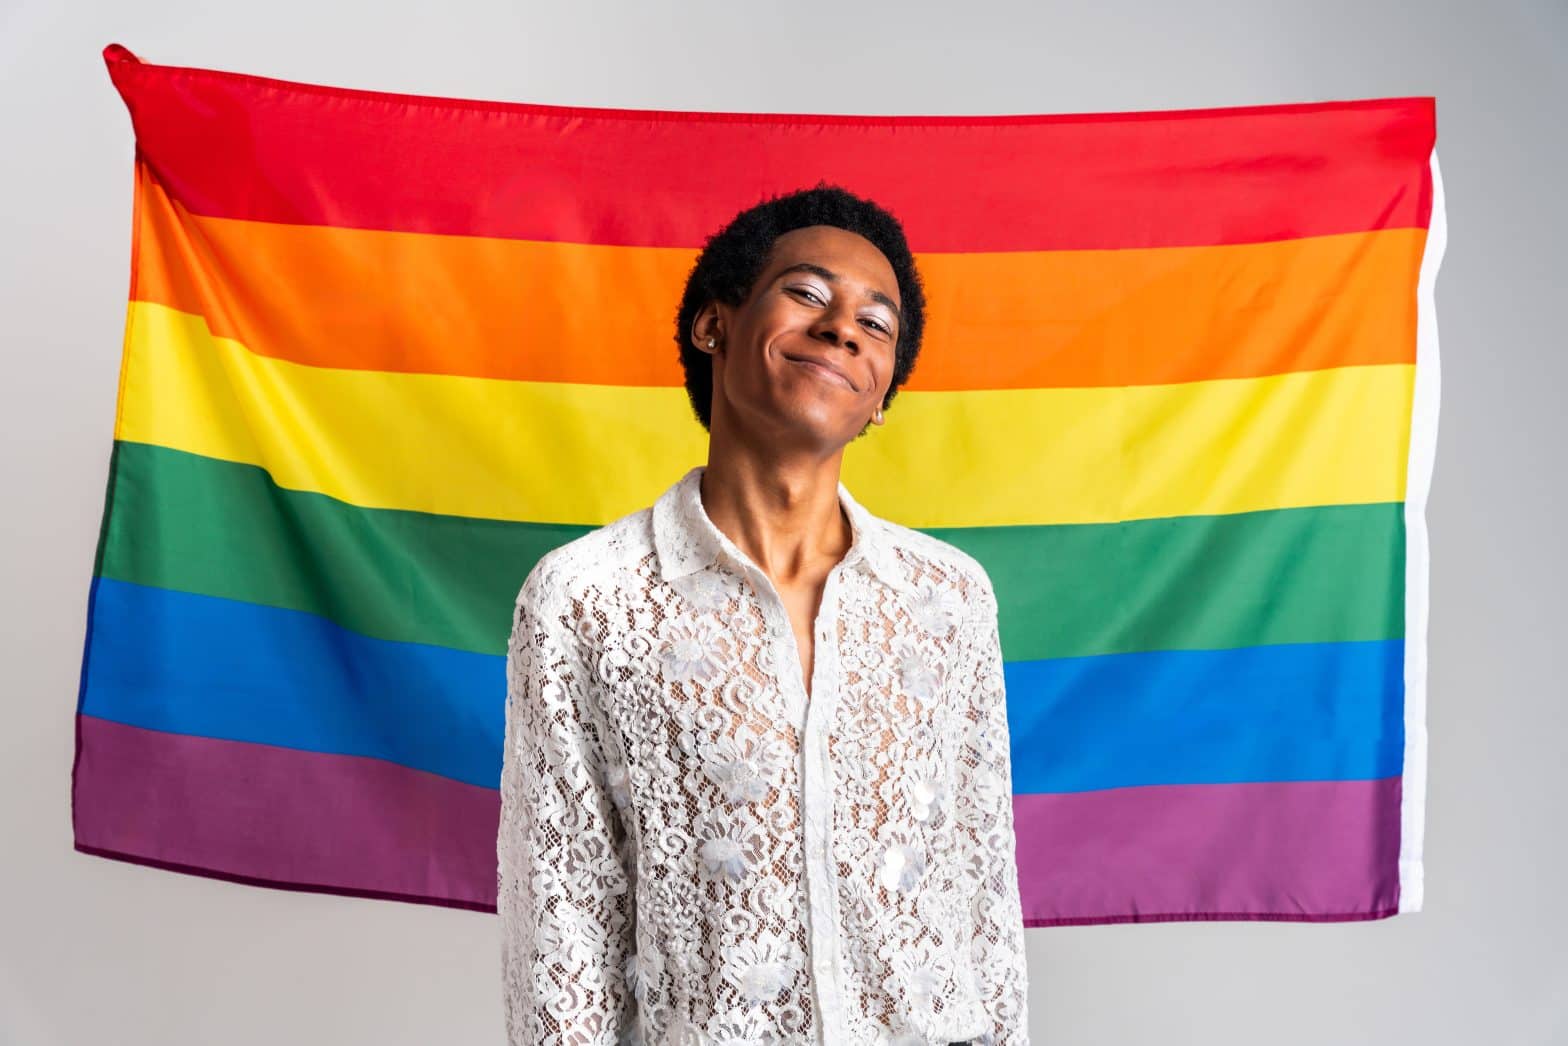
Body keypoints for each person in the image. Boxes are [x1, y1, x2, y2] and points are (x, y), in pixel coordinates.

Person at [498, 182, 1030, 1046]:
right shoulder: (586, 600)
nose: (843, 328)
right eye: (808, 294)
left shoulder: (948, 599)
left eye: (877, 324)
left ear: (883, 393)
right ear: (715, 325)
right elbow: (563, 924)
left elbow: (983, 901)